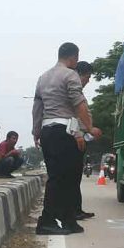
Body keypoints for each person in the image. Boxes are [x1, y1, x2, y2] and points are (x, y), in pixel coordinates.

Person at [32, 43, 102, 235]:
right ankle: (48, 220)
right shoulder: (70, 74)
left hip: (47, 129)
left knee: (58, 177)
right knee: (66, 178)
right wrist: (89, 127)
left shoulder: (43, 77)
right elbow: (78, 103)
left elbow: (37, 107)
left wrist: (36, 131)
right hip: (65, 130)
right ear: (73, 58)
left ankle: (67, 219)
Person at [73, 60, 95, 220]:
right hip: (76, 137)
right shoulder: (74, 91)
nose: (88, 80)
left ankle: (76, 209)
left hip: (80, 136)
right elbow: (73, 115)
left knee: (76, 176)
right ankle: (73, 211)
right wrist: (81, 133)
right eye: (87, 77)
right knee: (72, 176)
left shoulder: (78, 91)